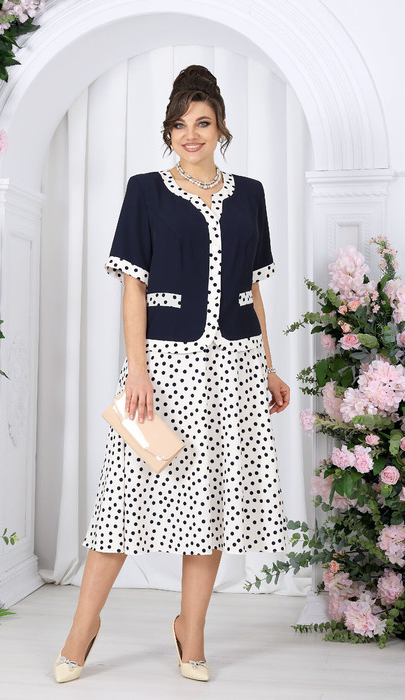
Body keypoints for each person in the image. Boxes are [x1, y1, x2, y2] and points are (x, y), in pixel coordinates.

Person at [53, 64, 290, 684]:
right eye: (180, 125)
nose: (192, 135)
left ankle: (192, 634)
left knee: (211, 504)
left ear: (221, 127)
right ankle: (82, 629)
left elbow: (253, 291)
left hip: (237, 367)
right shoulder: (146, 191)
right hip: (165, 367)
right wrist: (137, 372)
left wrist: (269, 367)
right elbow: (133, 288)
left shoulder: (252, 194)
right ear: (168, 131)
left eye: (203, 123)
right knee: (122, 501)